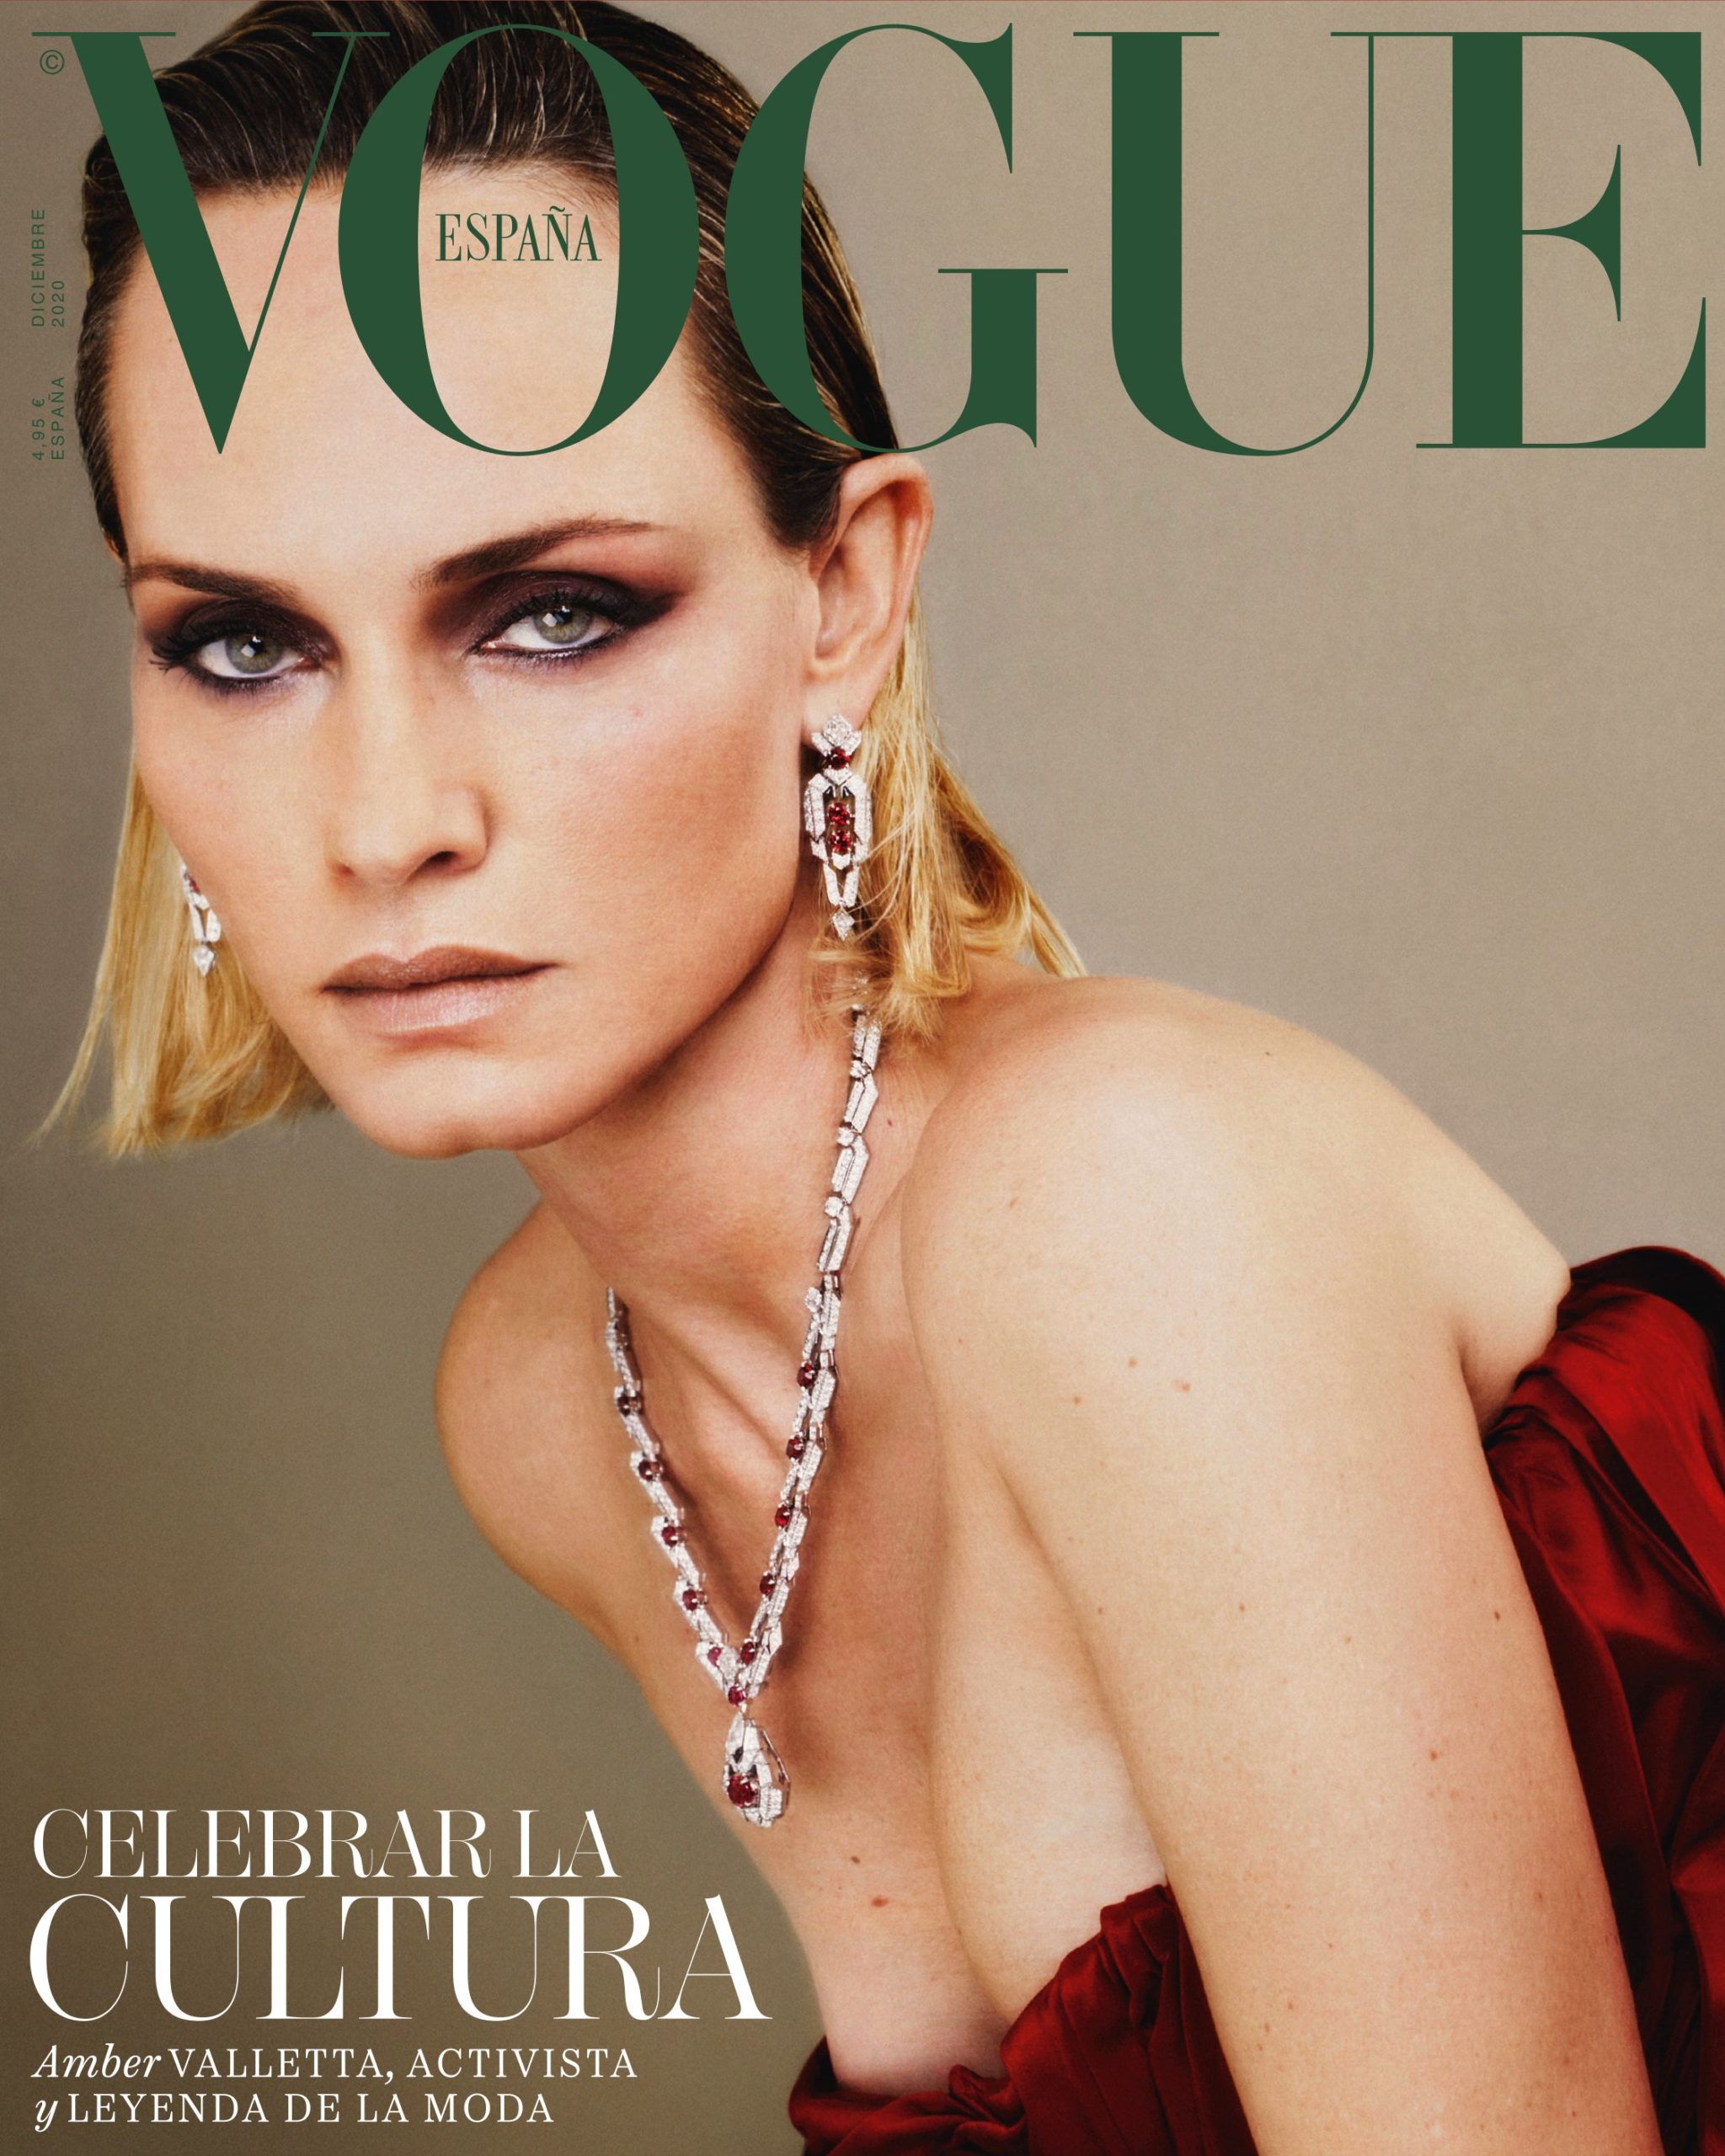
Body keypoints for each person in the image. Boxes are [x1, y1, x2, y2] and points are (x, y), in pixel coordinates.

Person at [51, 5, 1723, 2151]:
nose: (386, 820)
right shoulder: (549, 1398)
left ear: (843, 593)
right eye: (243, 643)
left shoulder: (1127, 1199)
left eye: (550, 611)